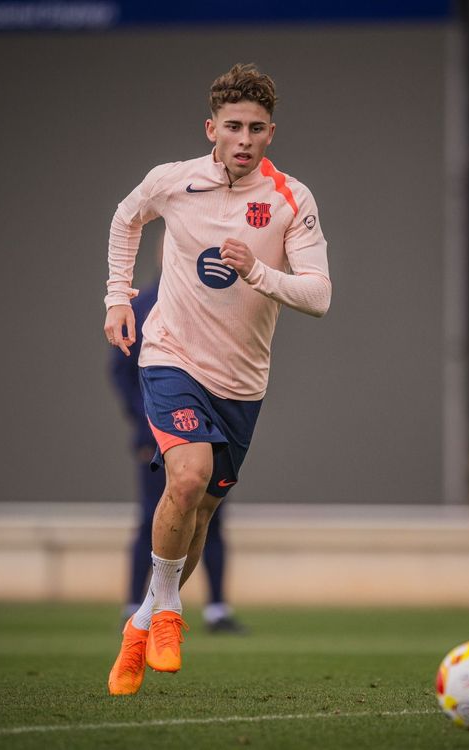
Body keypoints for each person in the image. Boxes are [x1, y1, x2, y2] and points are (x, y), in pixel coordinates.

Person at [103, 63, 331, 696]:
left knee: (200, 511)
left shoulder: (290, 199)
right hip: (171, 356)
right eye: (233, 126)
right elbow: (126, 220)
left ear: (270, 133)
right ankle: (171, 611)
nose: (244, 138)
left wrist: (259, 273)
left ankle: (145, 619)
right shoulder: (172, 182)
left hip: (242, 382)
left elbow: (319, 295)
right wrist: (117, 299)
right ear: (212, 128)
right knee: (189, 475)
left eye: (257, 128)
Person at [111, 277, 246, 635]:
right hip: (160, 428)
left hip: (209, 427)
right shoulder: (144, 305)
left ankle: (215, 607)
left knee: (208, 515)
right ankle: (137, 609)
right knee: (154, 514)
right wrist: (148, 425)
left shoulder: (218, 300)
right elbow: (122, 372)